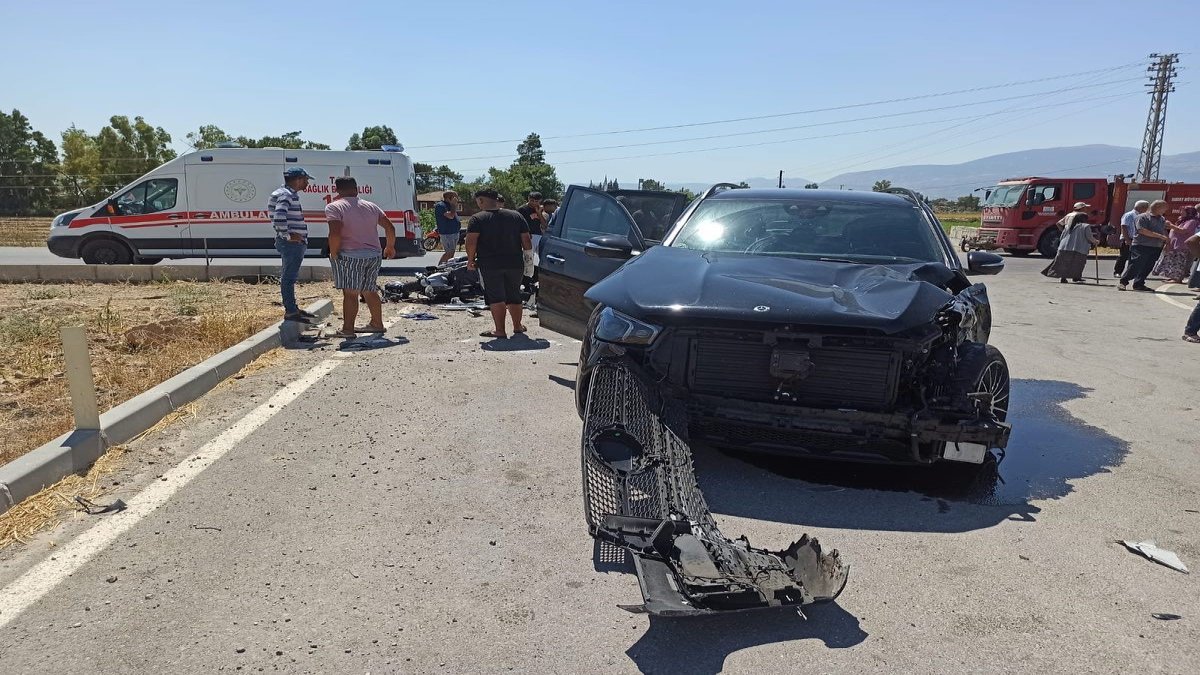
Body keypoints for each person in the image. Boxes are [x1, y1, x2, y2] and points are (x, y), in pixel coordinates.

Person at [324, 177, 396, 338]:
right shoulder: (371, 206)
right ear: (356, 189)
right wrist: (390, 247)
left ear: (337, 190)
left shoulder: (334, 207)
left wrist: (334, 252)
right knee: (369, 290)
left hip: (350, 255)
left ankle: (348, 329)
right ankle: (377, 324)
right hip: (374, 254)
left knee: (350, 293)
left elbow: (335, 232)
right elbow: (390, 227)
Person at [465, 188, 532, 339]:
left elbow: (471, 242)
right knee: (514, 295)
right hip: (515, 263)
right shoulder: (516, 216)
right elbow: (526, 240)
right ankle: (517, 326)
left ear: (481, 200)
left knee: (496, 297)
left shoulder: (477, 219)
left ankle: (500, 330)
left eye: (478, 202)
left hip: (490, 264)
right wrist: (529, 262)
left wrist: (470, 260)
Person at [269, 167, 316, 322]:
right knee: (289, 277)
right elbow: (279, 216)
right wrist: (288, 236)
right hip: (291, 244)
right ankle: (290, 311)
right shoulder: (286, 195)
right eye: (306, 180)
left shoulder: (283, 193)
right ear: (298, 179)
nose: (307, 183)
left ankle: (293, 308)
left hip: (290, 242)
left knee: (288, 276)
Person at [1119, 200, 1172, 291]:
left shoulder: (1161, 219)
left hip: (1156, 246)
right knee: (1136, 264)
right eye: (1164, 208)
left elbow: (1163, 231)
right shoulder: (1142, 217)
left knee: (1148, 266)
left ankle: (1139, 284)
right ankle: (1123, 282)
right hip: (1141, 245)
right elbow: (1142, 230)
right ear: (1157, 206)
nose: (1165, 210)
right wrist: (1160, 236)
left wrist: (1167, 242)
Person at [1041, 212, 1096, 283]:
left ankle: (1063, 278)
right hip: (1078, 248)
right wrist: (1096, 241)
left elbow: (1062, 235)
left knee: (1064, 263)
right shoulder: (1085, 226)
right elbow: (1089, 237)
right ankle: (1076, 277)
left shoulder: (1068, 226)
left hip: (1064, 247)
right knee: (1077, 264)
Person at [1152, 206, 1199, 284]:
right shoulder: (1182, 220)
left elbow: (1184, 231)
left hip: (1182, 245)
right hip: (1175, 244)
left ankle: (1178, 279)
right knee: (1174, 262)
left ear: (1189, 212)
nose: (1181, 212)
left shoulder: (1192, 221)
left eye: (1183, 211)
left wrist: (1171, 226)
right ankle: (1173, 277)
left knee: (1179, 263)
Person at [1115, 200, 1150, 277]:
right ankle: (1117, 272)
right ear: (1141, 207)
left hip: (1138, 239)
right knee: (1123, 256)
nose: (1147, 209)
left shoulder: (1144, 216)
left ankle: (1129, 273)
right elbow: (1124, 227)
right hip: (1128, 238)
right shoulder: (1129, 215)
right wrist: (1127, 240)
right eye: (1146, 207)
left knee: (1134, 258)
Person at [434, 191, 462, 265]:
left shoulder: (450, 205)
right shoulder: (441, 206)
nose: (457, 199)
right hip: (447, 233)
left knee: (451, 253)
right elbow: (451, 216)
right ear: (450, 197)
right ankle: (439, 268)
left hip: (454, 232)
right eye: (455, 197)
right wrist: (453, 205)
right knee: (449, 253)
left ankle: (446, 267)